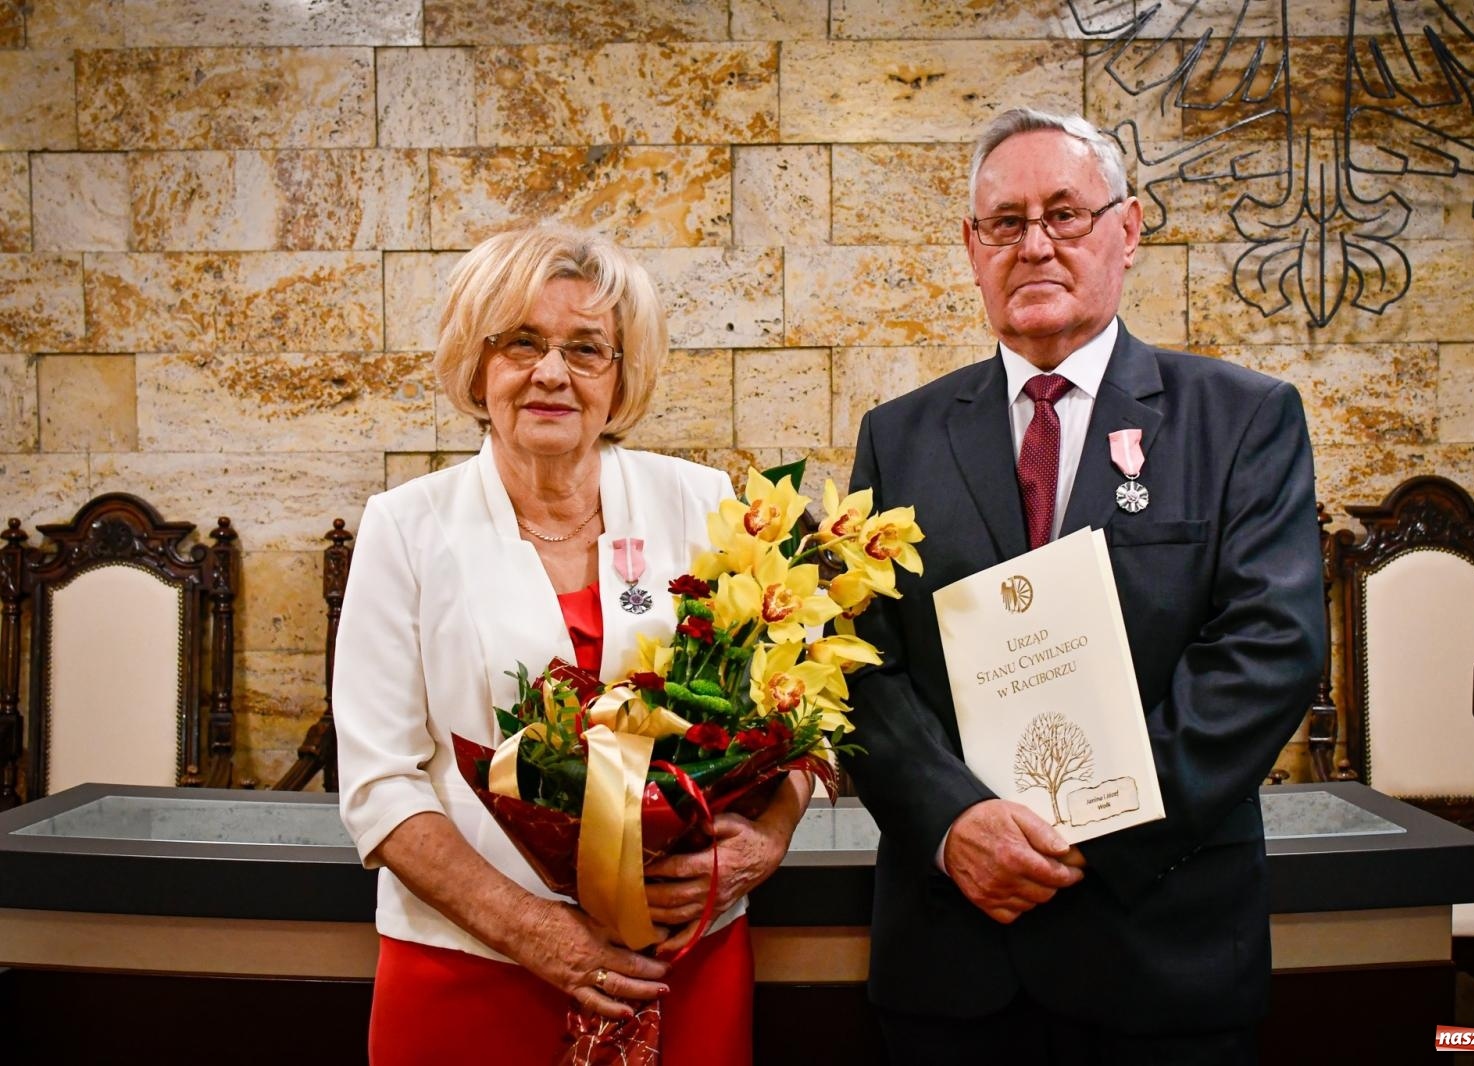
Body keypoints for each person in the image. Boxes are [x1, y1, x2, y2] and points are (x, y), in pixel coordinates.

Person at [843, 108, 1325, 1064]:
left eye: (1065, 214)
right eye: (1005, 222)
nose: (1036, 245)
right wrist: (956, 824)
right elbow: (861, 669)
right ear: (970, 248)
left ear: (1129, 229)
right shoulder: (895, 438)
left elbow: (1269, 650)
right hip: (954, 955)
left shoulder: (1241, 421)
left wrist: (1086, 828)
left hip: (1162, 946)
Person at [335, 223, 811, 1065]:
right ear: (477, 366)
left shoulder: (703, 503)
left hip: (682, 959)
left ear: (620, 376)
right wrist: (536, 933)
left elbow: (802, 713)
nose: (551, 372)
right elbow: (379, 786)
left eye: (586, 348)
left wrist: (768, 839)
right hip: (472, 967)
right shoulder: (405, 528)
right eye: (522, 342)